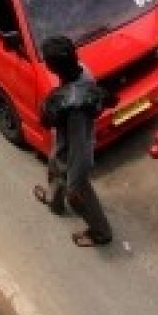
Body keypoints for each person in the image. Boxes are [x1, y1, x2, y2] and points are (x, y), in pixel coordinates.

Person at [33, 36, 114, 247]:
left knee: (79, 191)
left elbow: (81, 147)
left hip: (76, 151)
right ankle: (54, 202)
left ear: (53, 68)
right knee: (56, 166)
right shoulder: (81, 71)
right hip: (64, 144)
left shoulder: (75, 110)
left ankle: (100, 232)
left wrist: (75, 182)